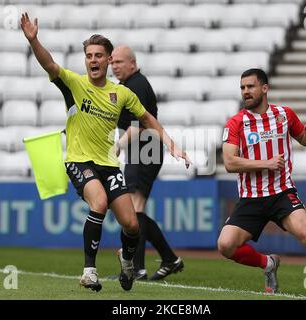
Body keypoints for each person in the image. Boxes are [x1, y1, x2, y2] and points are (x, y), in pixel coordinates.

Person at [20, 13, 190, 292]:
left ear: (108, 60)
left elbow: (147, 118)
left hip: (109, 165)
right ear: (85, 59)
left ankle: (127, 261)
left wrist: (172, 145)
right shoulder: (74, 83)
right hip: (79, 160)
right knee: (98, 203)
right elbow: (48, 63)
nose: (93, 60)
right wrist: (33, 39)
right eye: (89, 55)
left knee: (132, 224)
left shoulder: (121, 93)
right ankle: (89, 271)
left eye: (99, 55)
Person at [217, 68, 306, 296]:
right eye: (242, 88)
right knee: (225, 245)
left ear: (265, 88)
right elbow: (229, 162)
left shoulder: (284, 115)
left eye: (250, 86)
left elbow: (305, 140)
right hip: (251, 198)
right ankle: (268, 263)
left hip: (282, 193)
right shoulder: (236, 123)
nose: (246, 92)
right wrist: (266, 163)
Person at [110, 45, 184, 281]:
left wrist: (118, 145)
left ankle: (138, 269)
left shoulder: (137, 85)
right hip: (140, 150)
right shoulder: (126, 86)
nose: (115, 66)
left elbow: (139, 124)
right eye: (113, 62)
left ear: (133, 63)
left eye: (119, 62)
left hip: (146, 149)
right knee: (135, 209)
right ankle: (169, 259)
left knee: (134, 208)